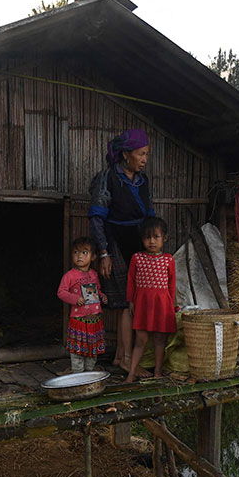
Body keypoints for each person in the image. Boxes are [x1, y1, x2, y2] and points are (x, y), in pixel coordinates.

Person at [88, 128, 156, 374]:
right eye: (141, 154)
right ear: (126, 154)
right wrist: (103, 253)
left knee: (133, 301)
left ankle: (119, 357)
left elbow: (150, 214)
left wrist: (153, 248)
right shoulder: (107, 178)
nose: (144, 159)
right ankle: (127, 359)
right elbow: (97, 217)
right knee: (124, 302)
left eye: (147, 154)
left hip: (138, 242)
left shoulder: (143, 180)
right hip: (114, 241)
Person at [125, 217, 177, 382]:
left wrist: (171, 306)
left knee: (160, 340)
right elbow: (131, 281)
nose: (152, 241)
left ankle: (158, 371)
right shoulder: (137, 258)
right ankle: (131, 373)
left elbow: (172, 285)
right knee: (141, 339)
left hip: (162, 305)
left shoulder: (168, 259)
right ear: (142, 239)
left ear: (165, 238)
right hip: (142, 305)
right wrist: (131, 302)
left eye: (156, 237)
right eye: (147, 237)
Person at [56, 236, 108, 372]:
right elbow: (61, 292)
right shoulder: (70, 276)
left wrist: (102, 296)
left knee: (92, 349)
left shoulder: (94, 274)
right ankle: (77, 375)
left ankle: (89, 374)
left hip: (94, 320)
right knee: (78, 351)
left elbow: (97, 290)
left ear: (93, 257)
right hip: (79, 320)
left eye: (84, 252)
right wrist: (74, 298)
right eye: (76, 252)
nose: (79, 256)